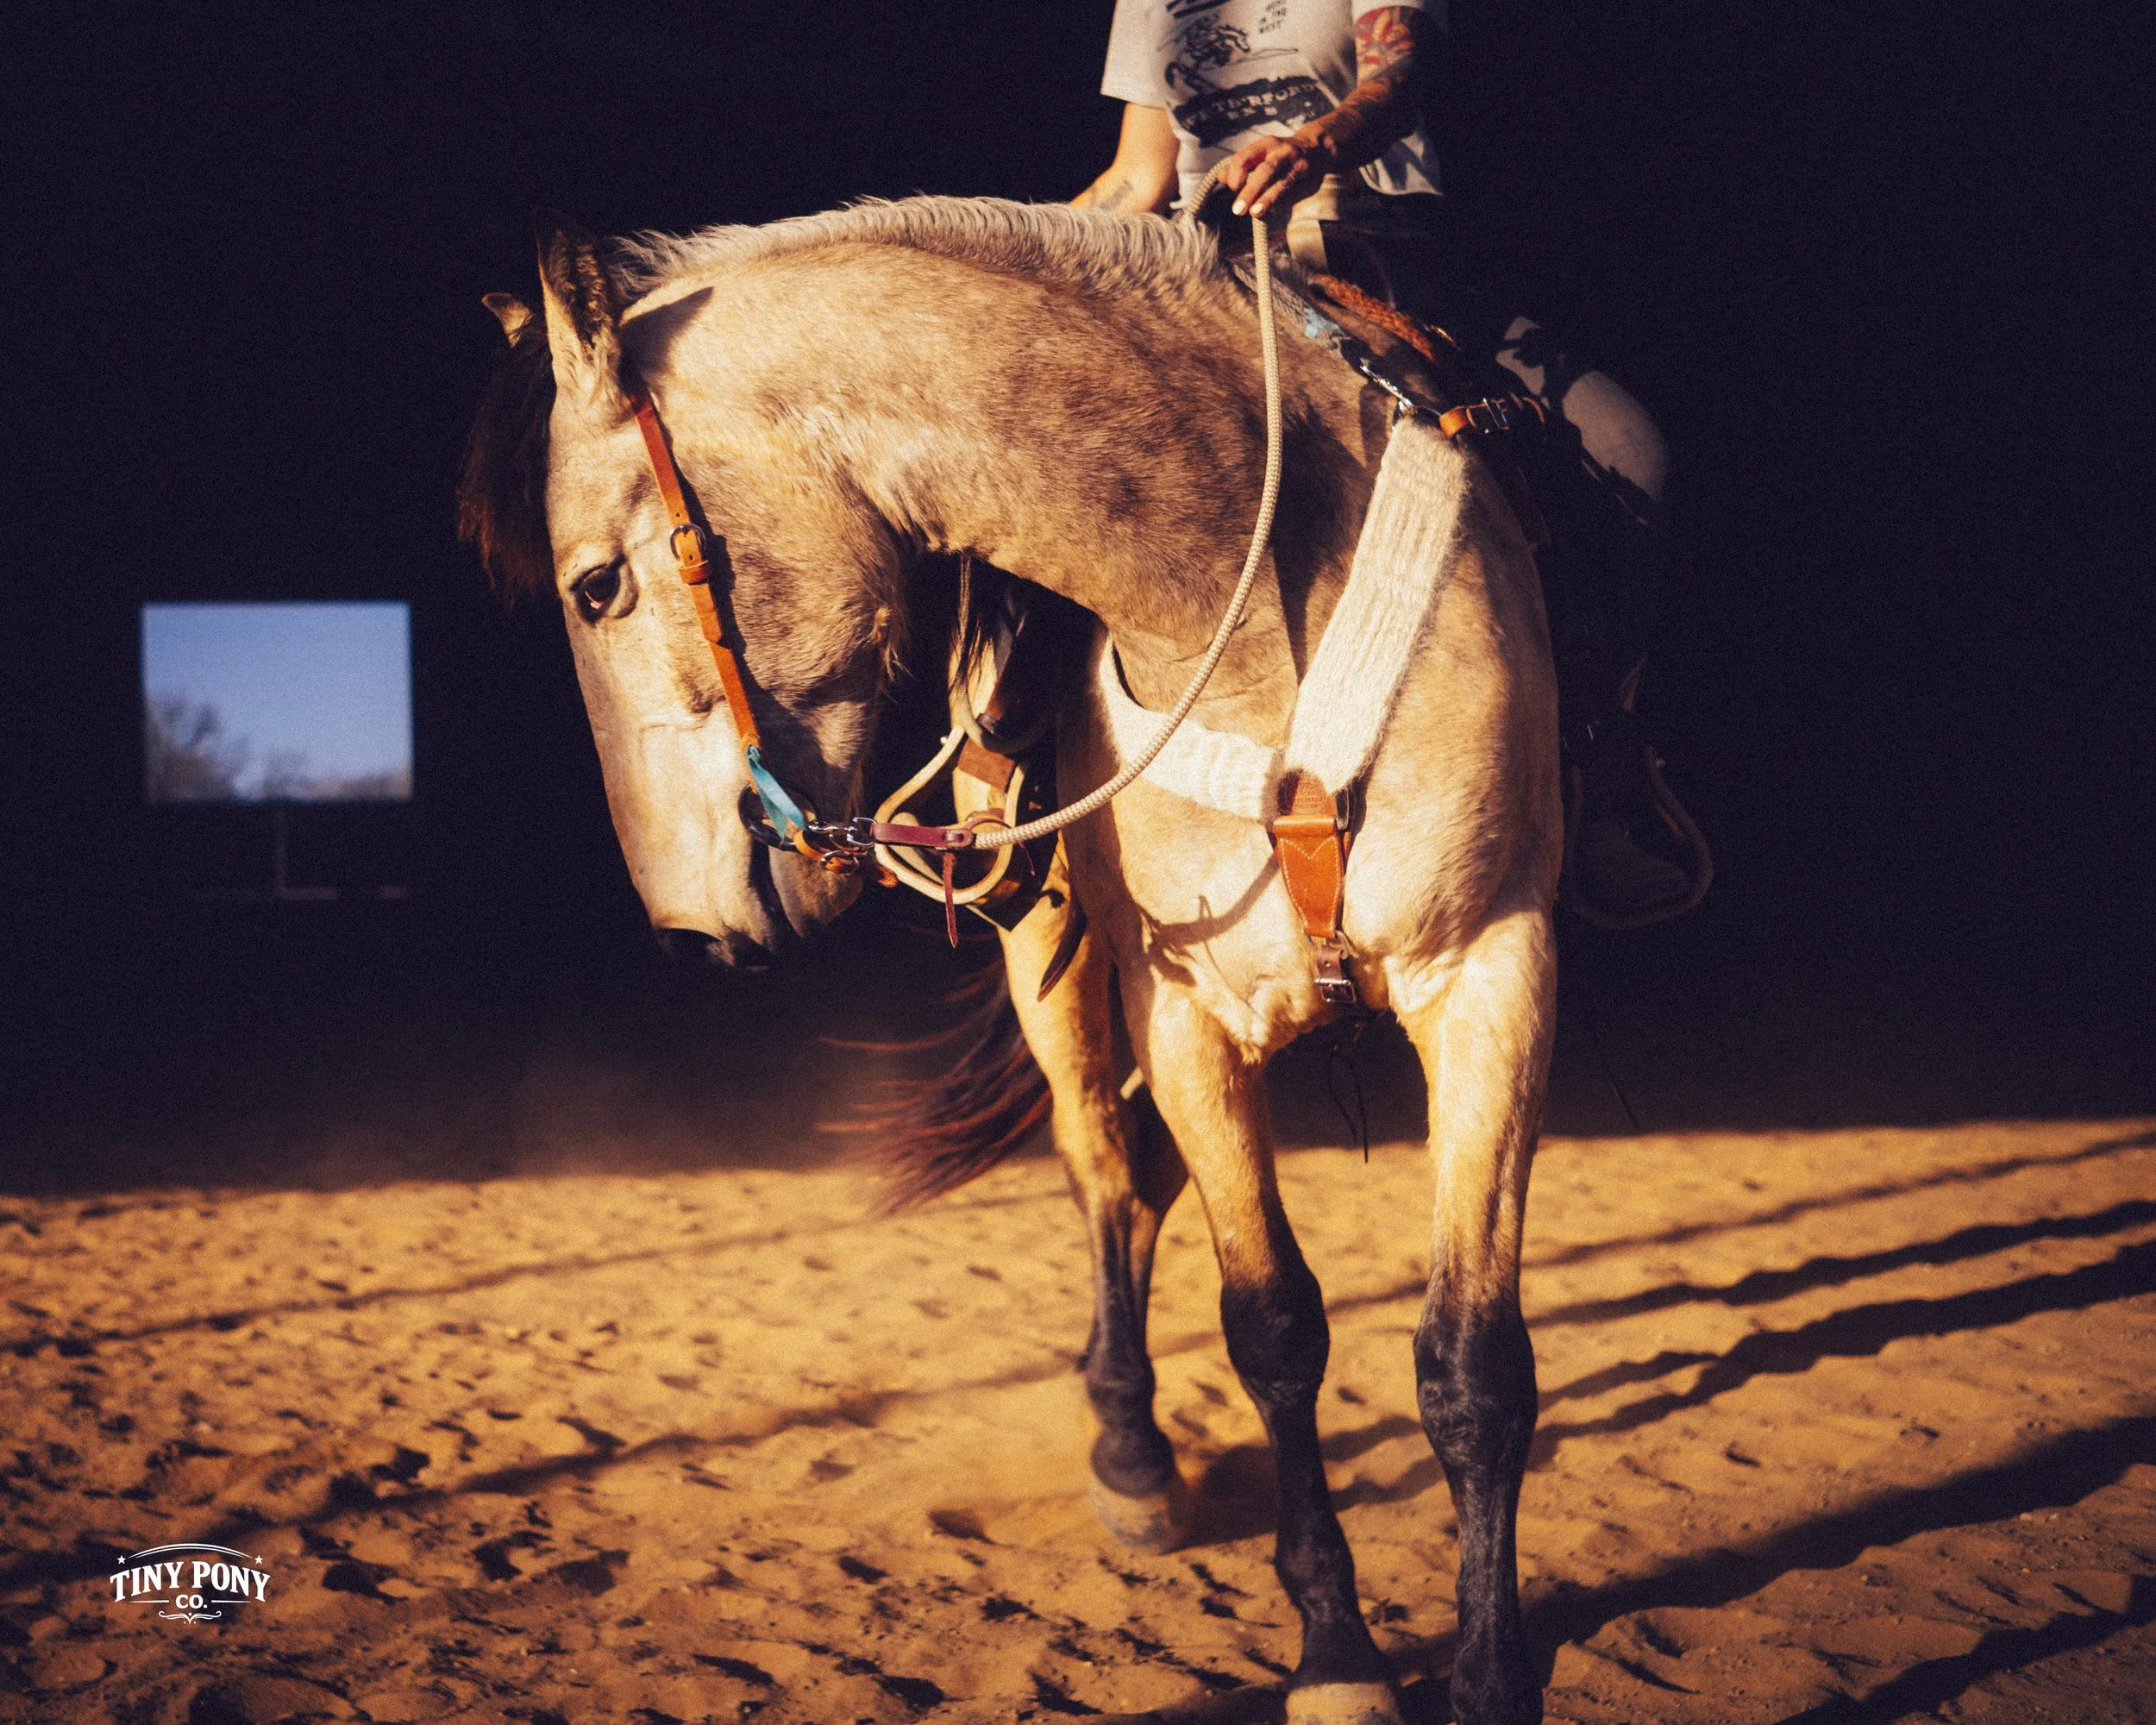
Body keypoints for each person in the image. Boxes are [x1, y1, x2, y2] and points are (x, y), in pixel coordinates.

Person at [1075, 0, 1709, 928]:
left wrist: (1314, 146)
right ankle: (1008, 774)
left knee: (1624, 451)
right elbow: (1138, 178)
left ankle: (1594, 756)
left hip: (1374, 251)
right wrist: (1001, 246)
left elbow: (1396, 77)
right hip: (1203, 267)